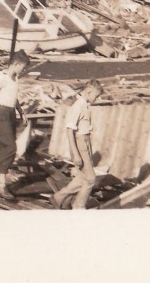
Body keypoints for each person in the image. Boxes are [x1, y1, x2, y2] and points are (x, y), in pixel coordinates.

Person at [0, 50, 31, 198]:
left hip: (10, 114)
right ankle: (0, 182)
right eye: (22, 67)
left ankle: (0, 180)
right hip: (1, 114)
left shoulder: (15, 78)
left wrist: (21, 113)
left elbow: (14, 98)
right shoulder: (1, 78)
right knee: (11, 147)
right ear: (15, 64)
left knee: (5, 148)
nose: (23, 70)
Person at [52, 79, 103, 210]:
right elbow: (70, 130)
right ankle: (78, 205)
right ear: (89, 91)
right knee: (90, 178)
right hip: (80, 144)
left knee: (82, 177)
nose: (97, 99)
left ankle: (59, 197)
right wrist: (76, 154)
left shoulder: (85, 105)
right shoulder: (78, 106)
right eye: (96, 96)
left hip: (85, 142)